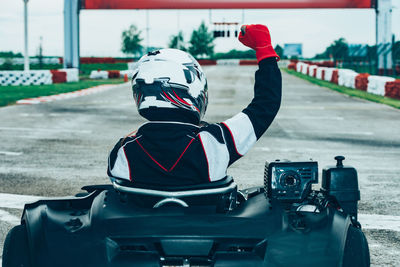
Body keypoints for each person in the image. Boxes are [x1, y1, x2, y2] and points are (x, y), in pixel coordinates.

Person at [107, 24, 282, 188]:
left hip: (139, 221)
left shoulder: (122, 152)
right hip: (206, 219)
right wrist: (264, 50)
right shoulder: (214, 142)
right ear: (192, 88)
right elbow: (266, 105)